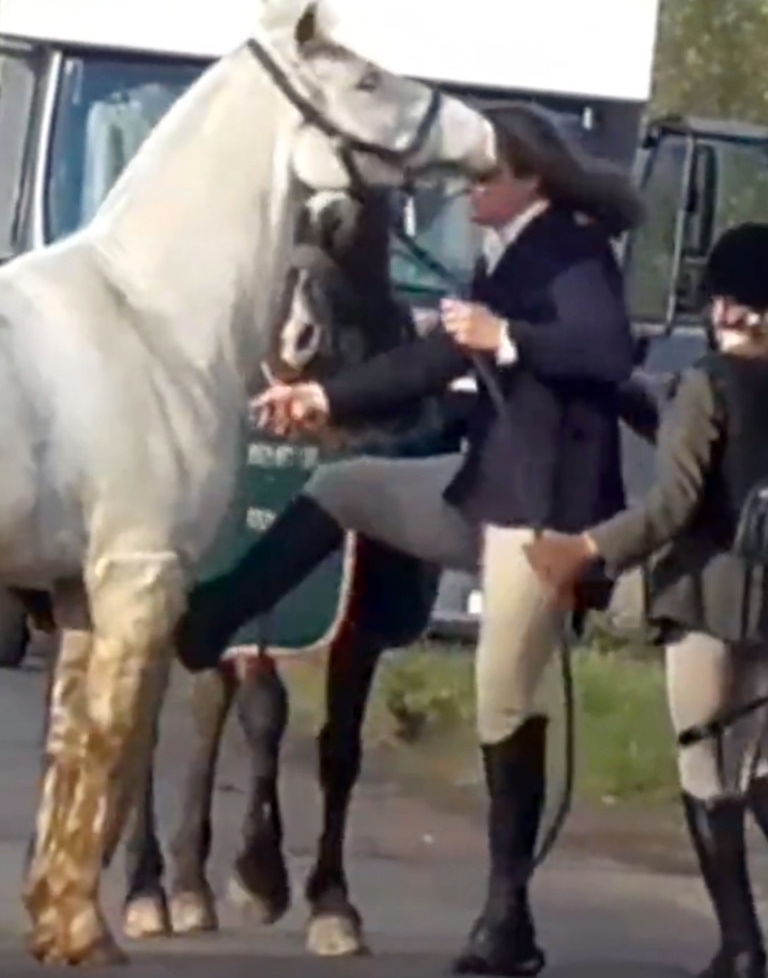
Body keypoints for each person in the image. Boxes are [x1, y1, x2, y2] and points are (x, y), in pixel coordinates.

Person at [174, 102, 644, 977]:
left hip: (538, 514)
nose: (468, 187)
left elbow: (607, 353)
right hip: (479, 490)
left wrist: (509, 337)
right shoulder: (509, 253)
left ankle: (508, 921)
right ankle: (213, 617)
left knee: (503, 696)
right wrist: (323, 401)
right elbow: (433, 363)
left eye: (483, 175)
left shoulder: (571, 250)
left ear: (529, 179)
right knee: (343, 484)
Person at [523, 223, 768, 978]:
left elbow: (673, 504)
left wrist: (587, 550)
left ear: (728, 305)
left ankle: (740, 947)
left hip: (706, 598)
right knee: (762, 774)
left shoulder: (707, 382)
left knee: (707, 774)